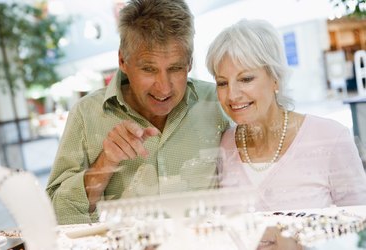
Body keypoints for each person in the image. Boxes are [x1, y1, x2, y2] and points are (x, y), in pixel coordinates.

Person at [46, 0, 229, 225]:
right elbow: (54, 215)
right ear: (123, 60)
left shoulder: (218, 102)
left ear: (190, 63)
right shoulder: (86, 115)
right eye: (148, 69)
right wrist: (105, 163)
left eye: (175, 68)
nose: (164, 87)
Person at [206, 19, 366, 212]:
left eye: (246, 79)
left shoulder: (331, 137)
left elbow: (360, 224)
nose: (232, 95)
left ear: (275, 79)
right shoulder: (225, 144)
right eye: (222, 83)